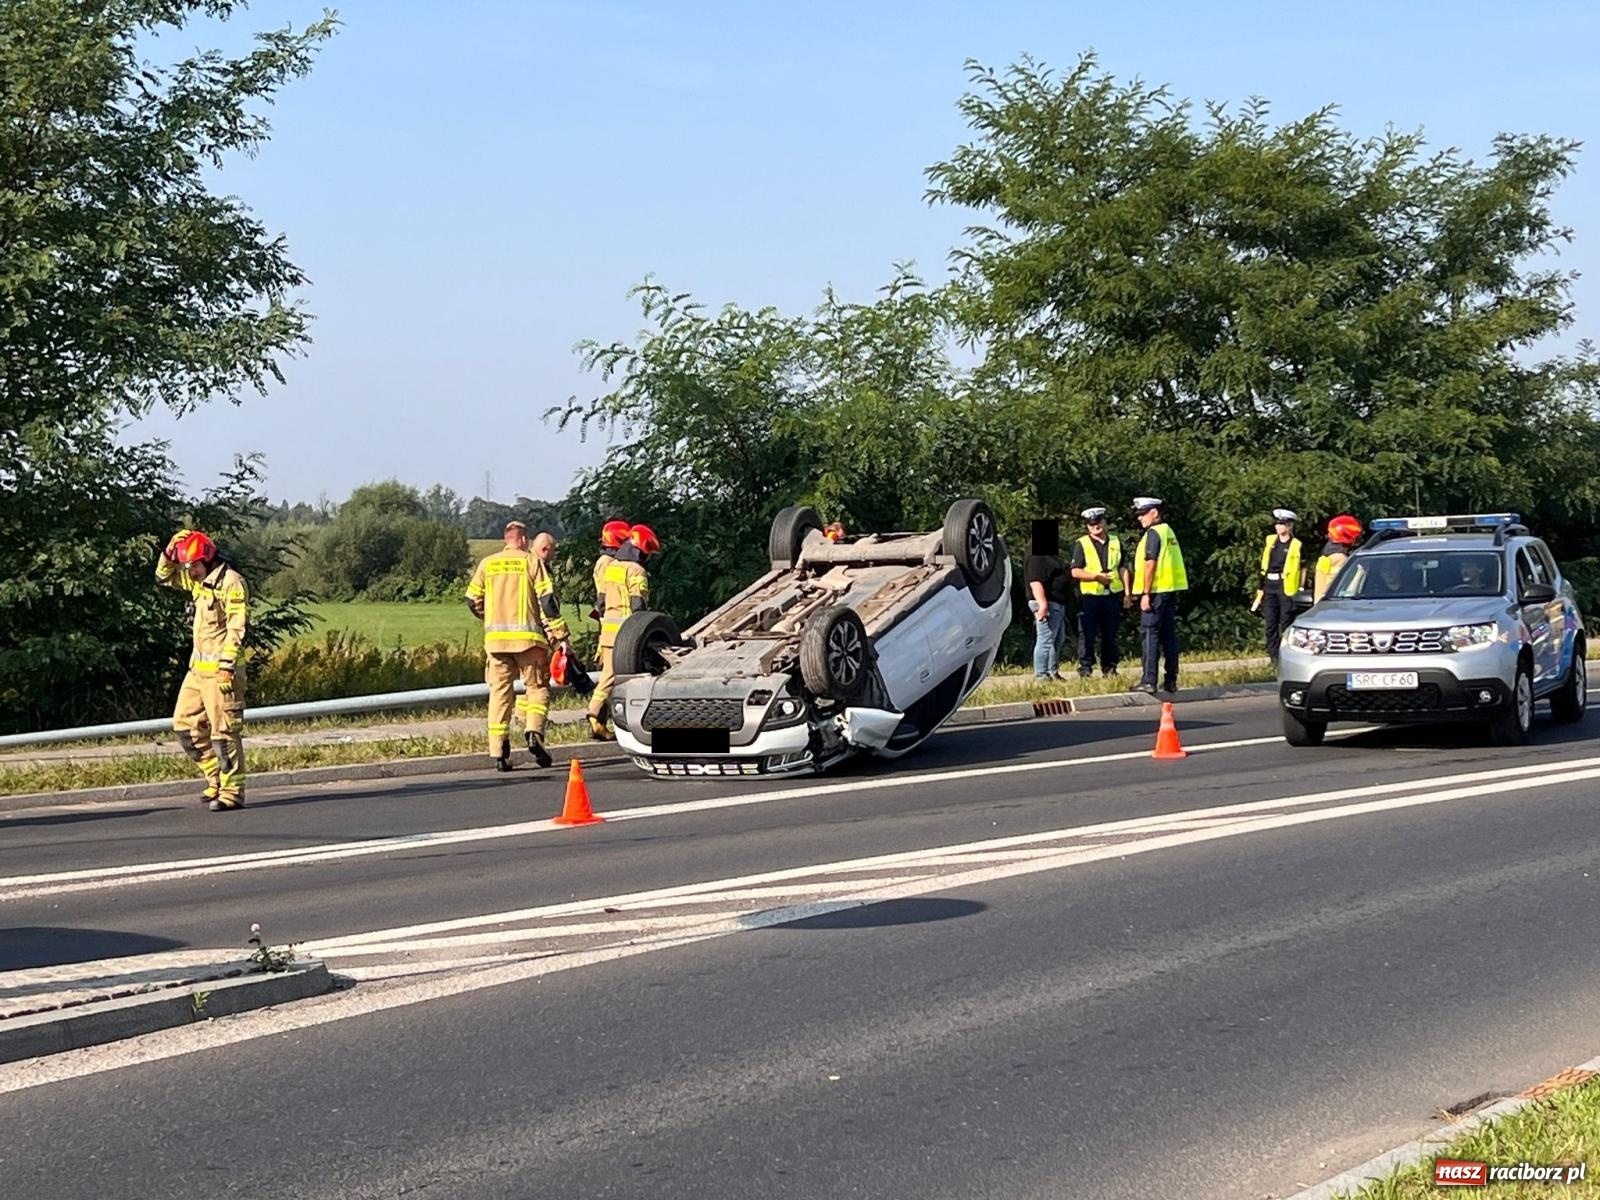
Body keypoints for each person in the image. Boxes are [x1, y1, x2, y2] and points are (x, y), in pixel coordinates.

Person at [156, 529, 250, 812]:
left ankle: (232, 792)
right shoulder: (199, 581)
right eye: (187, 567)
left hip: (222, 674)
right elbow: (163, 577)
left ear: (208, 560)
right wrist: (169, 551)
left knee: (224, 734)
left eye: (193, 566)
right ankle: (215, 778)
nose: (190, 572)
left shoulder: (231, 583)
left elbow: (237, 628)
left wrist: (227, 667)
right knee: (184, 726)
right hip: (197, 672)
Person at [465, 520, 554, 771]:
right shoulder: (531, 562)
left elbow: (471, 600)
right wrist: (559, 634)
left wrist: (488, 616)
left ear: (506, 539)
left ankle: (499, 752)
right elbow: (548, 601)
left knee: (499, 694)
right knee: (537, 688)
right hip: (529, 642)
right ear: (524, 540)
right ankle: (533, 731)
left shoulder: (487, 563)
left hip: (496, 643)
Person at [585, 519, 645, 740]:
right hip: (620, 627)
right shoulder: (608, 564)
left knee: (614, 675)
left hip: (611, 626)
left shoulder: (610, 563)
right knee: (610, 675)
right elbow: (623, 601)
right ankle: (595, 715)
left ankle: (606, 718)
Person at [1131, 497, 1188, 696]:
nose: (1139, 518)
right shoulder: (1168, 531)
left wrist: (1145, 594)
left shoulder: (1154, 533)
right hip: (1169, 590)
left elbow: (1150, 564)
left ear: (1154, 513)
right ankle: (1171, 680)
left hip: (1155, 592)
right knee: (1168, 635)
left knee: (1150, 634)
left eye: (1143, 514)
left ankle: (1149, 680)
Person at [1069, 506, 1130, 678]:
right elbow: (1075, 571)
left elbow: (1123, 568)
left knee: (1110, 634)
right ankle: (1085, 668)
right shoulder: (1082, 543)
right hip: (1090, 597)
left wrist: (1127, 593)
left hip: (1112, 595)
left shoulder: (1116, 542)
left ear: (1105, 522)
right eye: (1091, 524)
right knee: (1087, 635)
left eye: (1098, 522)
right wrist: (1096, 577)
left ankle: (1109, 668)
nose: (1095, 526)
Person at [1024, 520, 1071, 680]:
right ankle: (1041, 675)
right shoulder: (1037, 555)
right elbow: (1035, 581)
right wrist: (1043, 604)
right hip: (1046, 602)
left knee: (1057, 638)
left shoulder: (1047, 555)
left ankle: (1052, 671)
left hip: (1055, 602)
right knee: (1045, 639)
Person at [1258, 508, 1304, 666]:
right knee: (1270, 624)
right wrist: (1260, 587)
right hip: (1269, 585)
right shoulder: (1270, 541)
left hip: (1285, 587)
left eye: (1282, 524)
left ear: (1289, 526)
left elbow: (1301, 567)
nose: (1278, 527)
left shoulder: (1296, 544)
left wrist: (1299, 588)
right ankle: (1273, 657)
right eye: (1277, 524)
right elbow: (1264, 565)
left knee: (1285, 623)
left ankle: (1287, 656)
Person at [1313, 514, 1364, 602]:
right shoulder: (1341, 559)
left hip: (1322, 605)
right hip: (1335, 605)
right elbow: (1346, 590)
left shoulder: (1326, 557)